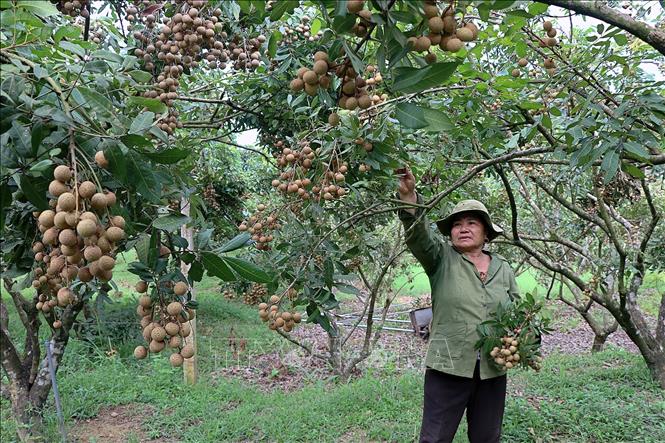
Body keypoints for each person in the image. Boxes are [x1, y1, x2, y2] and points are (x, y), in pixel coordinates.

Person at [396, 167, 520, 443]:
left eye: (471, 223)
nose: (463, 228)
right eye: (456, 224)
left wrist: (523, 336)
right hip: (447, 365)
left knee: (487, 437)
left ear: (486, 232)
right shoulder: (441, 259)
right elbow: (418, 236)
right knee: (435, 438)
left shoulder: (504, 268)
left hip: (492, 367)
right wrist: (409, 198)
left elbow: (517, 312)